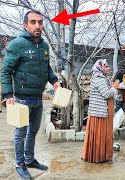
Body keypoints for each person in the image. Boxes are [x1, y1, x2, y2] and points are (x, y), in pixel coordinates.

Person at [1, 10, 60, 179]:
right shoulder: (17, 45)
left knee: (33, 131)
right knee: (20, 133)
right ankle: (20, 164)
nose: (38, 26)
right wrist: (7, 93)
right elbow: (5, 71)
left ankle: (30, 159)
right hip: (21, 98)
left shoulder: (44, 46)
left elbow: (47, 68)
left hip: (38, 98)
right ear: (25, 25)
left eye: (40, 22)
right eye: (33, 22)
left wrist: (54, 80)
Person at [82, 59, 120, 163]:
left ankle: (99, 156)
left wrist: (112, 87)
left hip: (99, 112)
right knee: (100, 136)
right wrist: (114, 87)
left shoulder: (101, 77)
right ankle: (97, 157)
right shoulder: (99, 78)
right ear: (101, 68)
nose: (109, 68)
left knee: (101, 136)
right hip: (99, 112)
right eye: (106, 66)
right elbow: (107, 94)